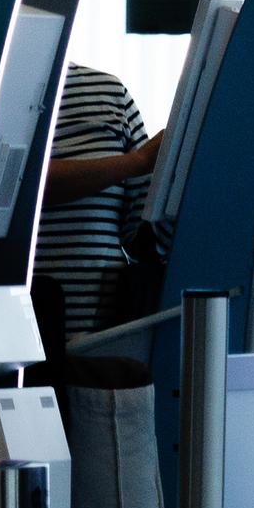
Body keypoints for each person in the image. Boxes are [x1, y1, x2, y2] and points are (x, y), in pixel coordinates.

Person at [35, 63, 164, 339]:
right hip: (16, 339)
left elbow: (143, 229)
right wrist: (136, 162)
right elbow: (23, 182)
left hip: (102, 338)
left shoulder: (111, 92)